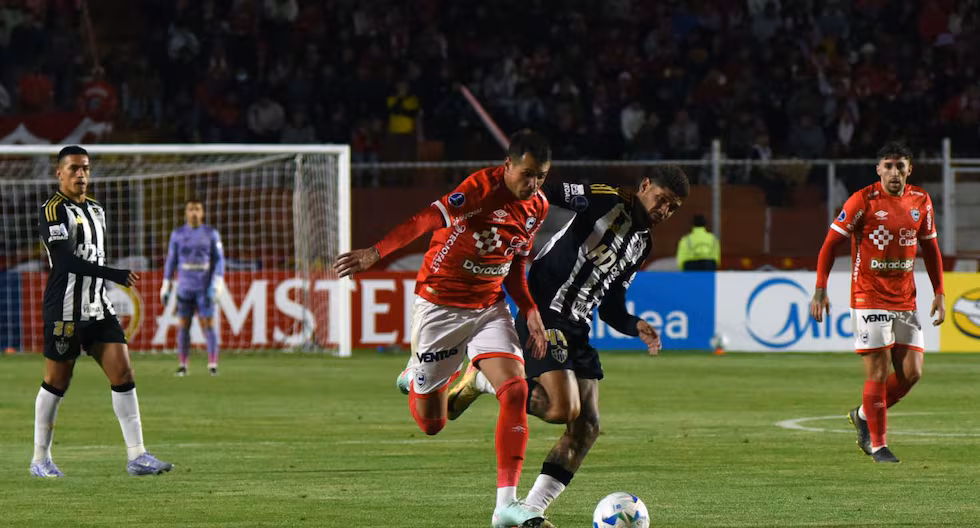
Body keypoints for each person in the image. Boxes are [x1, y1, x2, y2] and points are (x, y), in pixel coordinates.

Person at [334, 130, 555, 528]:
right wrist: (375, 252)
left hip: (489, 306)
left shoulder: (537, 206)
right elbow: (424, 219)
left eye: (541, 175)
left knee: (517, 389)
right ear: (508, 166)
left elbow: (516, 263)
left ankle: (506, 506)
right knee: (433, 424)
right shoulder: (478, 190)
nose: (534, 183)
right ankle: (417, 378)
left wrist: (530, 309)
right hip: (440, 307)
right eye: (527, 174)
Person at [448, 167, 690, 516]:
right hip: (545, 311)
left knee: (587, 427)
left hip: (579, 327)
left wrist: (635, 324)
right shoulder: (605, 198)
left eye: (673, 207)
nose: (664, 210)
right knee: (562, 408)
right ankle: (484, 379)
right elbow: (549, 192)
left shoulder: (642, 244)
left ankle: (530, 511)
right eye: (662, 200)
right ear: (645, 186)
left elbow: (611, 307)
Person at [32, 146, 173, 477]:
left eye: (86, 169)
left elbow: (91, 256)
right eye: (74, 169)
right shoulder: (52, 210)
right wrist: (116, 274)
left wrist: (106, 282)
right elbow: (65, 262)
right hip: (65, 311)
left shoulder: (96, 209)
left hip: (99, 307)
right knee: (57, 381)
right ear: (60, 173)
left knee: (124, 374)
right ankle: (40, 459)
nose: (81, 174)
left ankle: (137, 456)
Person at [809, 142, 946, 464]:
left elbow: (931, 249)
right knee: (880, 370)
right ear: (878, 169)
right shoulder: (863, 200)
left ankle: (862, 414)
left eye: (900, 166)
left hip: (905, 299)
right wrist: (820, 289)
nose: (894, 172)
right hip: (868, 296)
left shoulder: (921, 201)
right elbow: (830, 245)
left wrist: (939, 291)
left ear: (909, 170)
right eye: (888, 165)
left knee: (912, 373)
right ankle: (878, 444)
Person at [161, 199, 226, 376]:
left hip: (205, 286)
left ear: (202, 212)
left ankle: (213, 365)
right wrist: (166, 284)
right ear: (186, 213)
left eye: (197, 209)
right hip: (185, 286)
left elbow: (219, 259)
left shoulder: (211, 234)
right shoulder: (178, 234)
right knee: (183, 325)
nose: (194, 213)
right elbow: (171, 260)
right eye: (191, 209)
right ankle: (183, 365)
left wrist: (218, 282)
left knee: (209, 325)